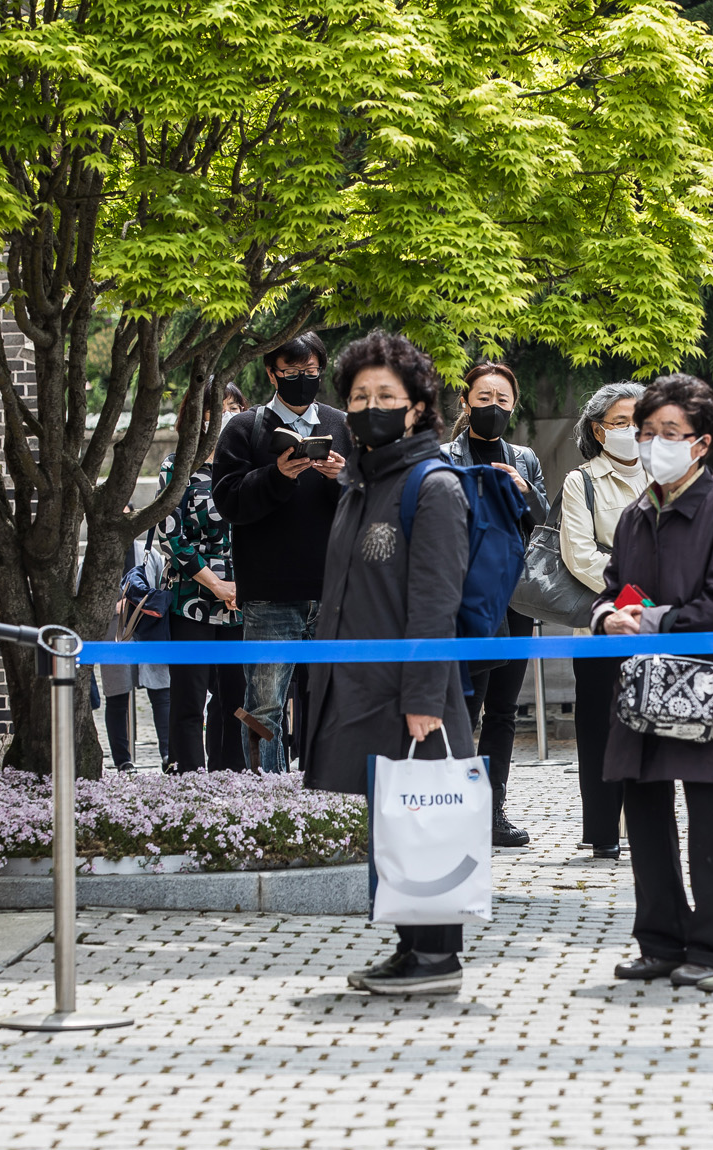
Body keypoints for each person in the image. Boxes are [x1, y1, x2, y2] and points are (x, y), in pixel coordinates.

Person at [301, 329, 475, 995]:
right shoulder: (358, 484)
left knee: (426, 818)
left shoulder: (433, 487)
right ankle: (410, 947)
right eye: (358, 396)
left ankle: (437, 958)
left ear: (417, 408)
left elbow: (436, 602)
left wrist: (424, 698)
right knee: (394, 820)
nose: (370, 407)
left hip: (411, 693)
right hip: (356, 686)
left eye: (385, 395)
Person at [597, 374, 713, 986]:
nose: (653, 443)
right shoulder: (635, 514)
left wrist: (650, 621)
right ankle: (660, 941)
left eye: (670, 432)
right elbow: (613, 587)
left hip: (706, 687)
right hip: (642, 685)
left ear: (701, 443)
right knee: (643, 810)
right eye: (647, 432)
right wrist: (606, 616)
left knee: (708, 812)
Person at [211, 333, 353, 773]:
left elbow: (370, 505)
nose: (302, 380)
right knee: (264, 706)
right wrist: (277, 476)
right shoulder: (243, 428)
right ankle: (267, 799)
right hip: (270, 595)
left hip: (334, 592)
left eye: (310, 372)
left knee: (338, 699)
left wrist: (343, 479)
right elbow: (228, 502)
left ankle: (334, 795)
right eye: (291, 372)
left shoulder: (343, 425)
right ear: (272, 374)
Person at [440, 362, 549, 848]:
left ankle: (492, 809)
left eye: (502, 400)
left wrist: (523, 490)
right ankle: (455, 808)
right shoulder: (445, 455)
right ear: (465, 402)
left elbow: (544, 521)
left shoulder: (524, 458)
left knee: (504, 709)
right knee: (466, 706)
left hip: (516, 596)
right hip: (467, 599)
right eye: (483, 398)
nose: (493, 407)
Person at [559, 380, 646, 860]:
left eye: (638, 420)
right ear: (598, 430)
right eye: (620, 422)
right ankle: (603, 831)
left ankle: (648, 826)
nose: (631, 430)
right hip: (602, 621)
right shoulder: (582, 481)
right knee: (598, 727)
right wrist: (636, 593)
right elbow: (580, 556)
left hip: (658, 623)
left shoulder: (665, 474)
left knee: (652, 722)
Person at [161, 383, 250, 773]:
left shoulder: (249, 465)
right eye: (218, 408)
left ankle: (229, 777)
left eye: (235, 407)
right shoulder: (176, 467)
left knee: (236, 699)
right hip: (191, 599)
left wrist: (241, 586)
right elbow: (171, 537)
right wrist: (216, 584)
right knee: (189, 699)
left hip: (242, 600)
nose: (227, 415)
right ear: (197, 415)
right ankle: (189, 783)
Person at [101, 529, 172, 770]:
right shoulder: (97, 554)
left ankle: (168, 755)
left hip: (151, 631)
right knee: (117, 696)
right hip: (114, 633)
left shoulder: (149, 553)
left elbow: (164, 586)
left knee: (162, 693)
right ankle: (123, 760)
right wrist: (113, 607)